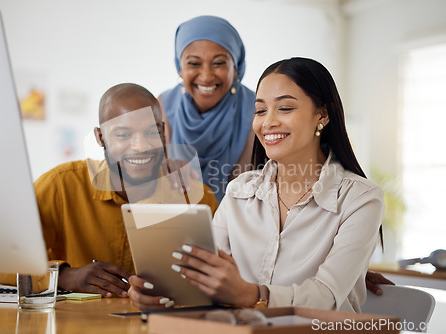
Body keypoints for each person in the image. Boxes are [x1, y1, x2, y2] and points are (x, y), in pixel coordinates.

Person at [129, 58, 385, 312]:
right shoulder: (239, 191)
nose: (268, 122)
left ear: (322, 114)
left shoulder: (360, 199)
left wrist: (252, 294)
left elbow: (326, 297)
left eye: (285, 108)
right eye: (260, 110)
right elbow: (202, 274)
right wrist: (161, 292)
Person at [0, 83, 218, 299]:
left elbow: (220, 282)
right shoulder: (61, 186)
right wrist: (63, 276)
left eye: (152, 132)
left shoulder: (195, 197)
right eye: (123, 134)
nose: (141, 146)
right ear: (100, 138)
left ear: (163, 133)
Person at [159, 15, 256, 203]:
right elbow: (149, 182)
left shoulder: (257, 109)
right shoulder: (163, 105)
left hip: (238, 225)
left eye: (219, 63)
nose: (206, 76)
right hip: (175, 223)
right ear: (179, 67)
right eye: (194, 63)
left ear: (235, 68)